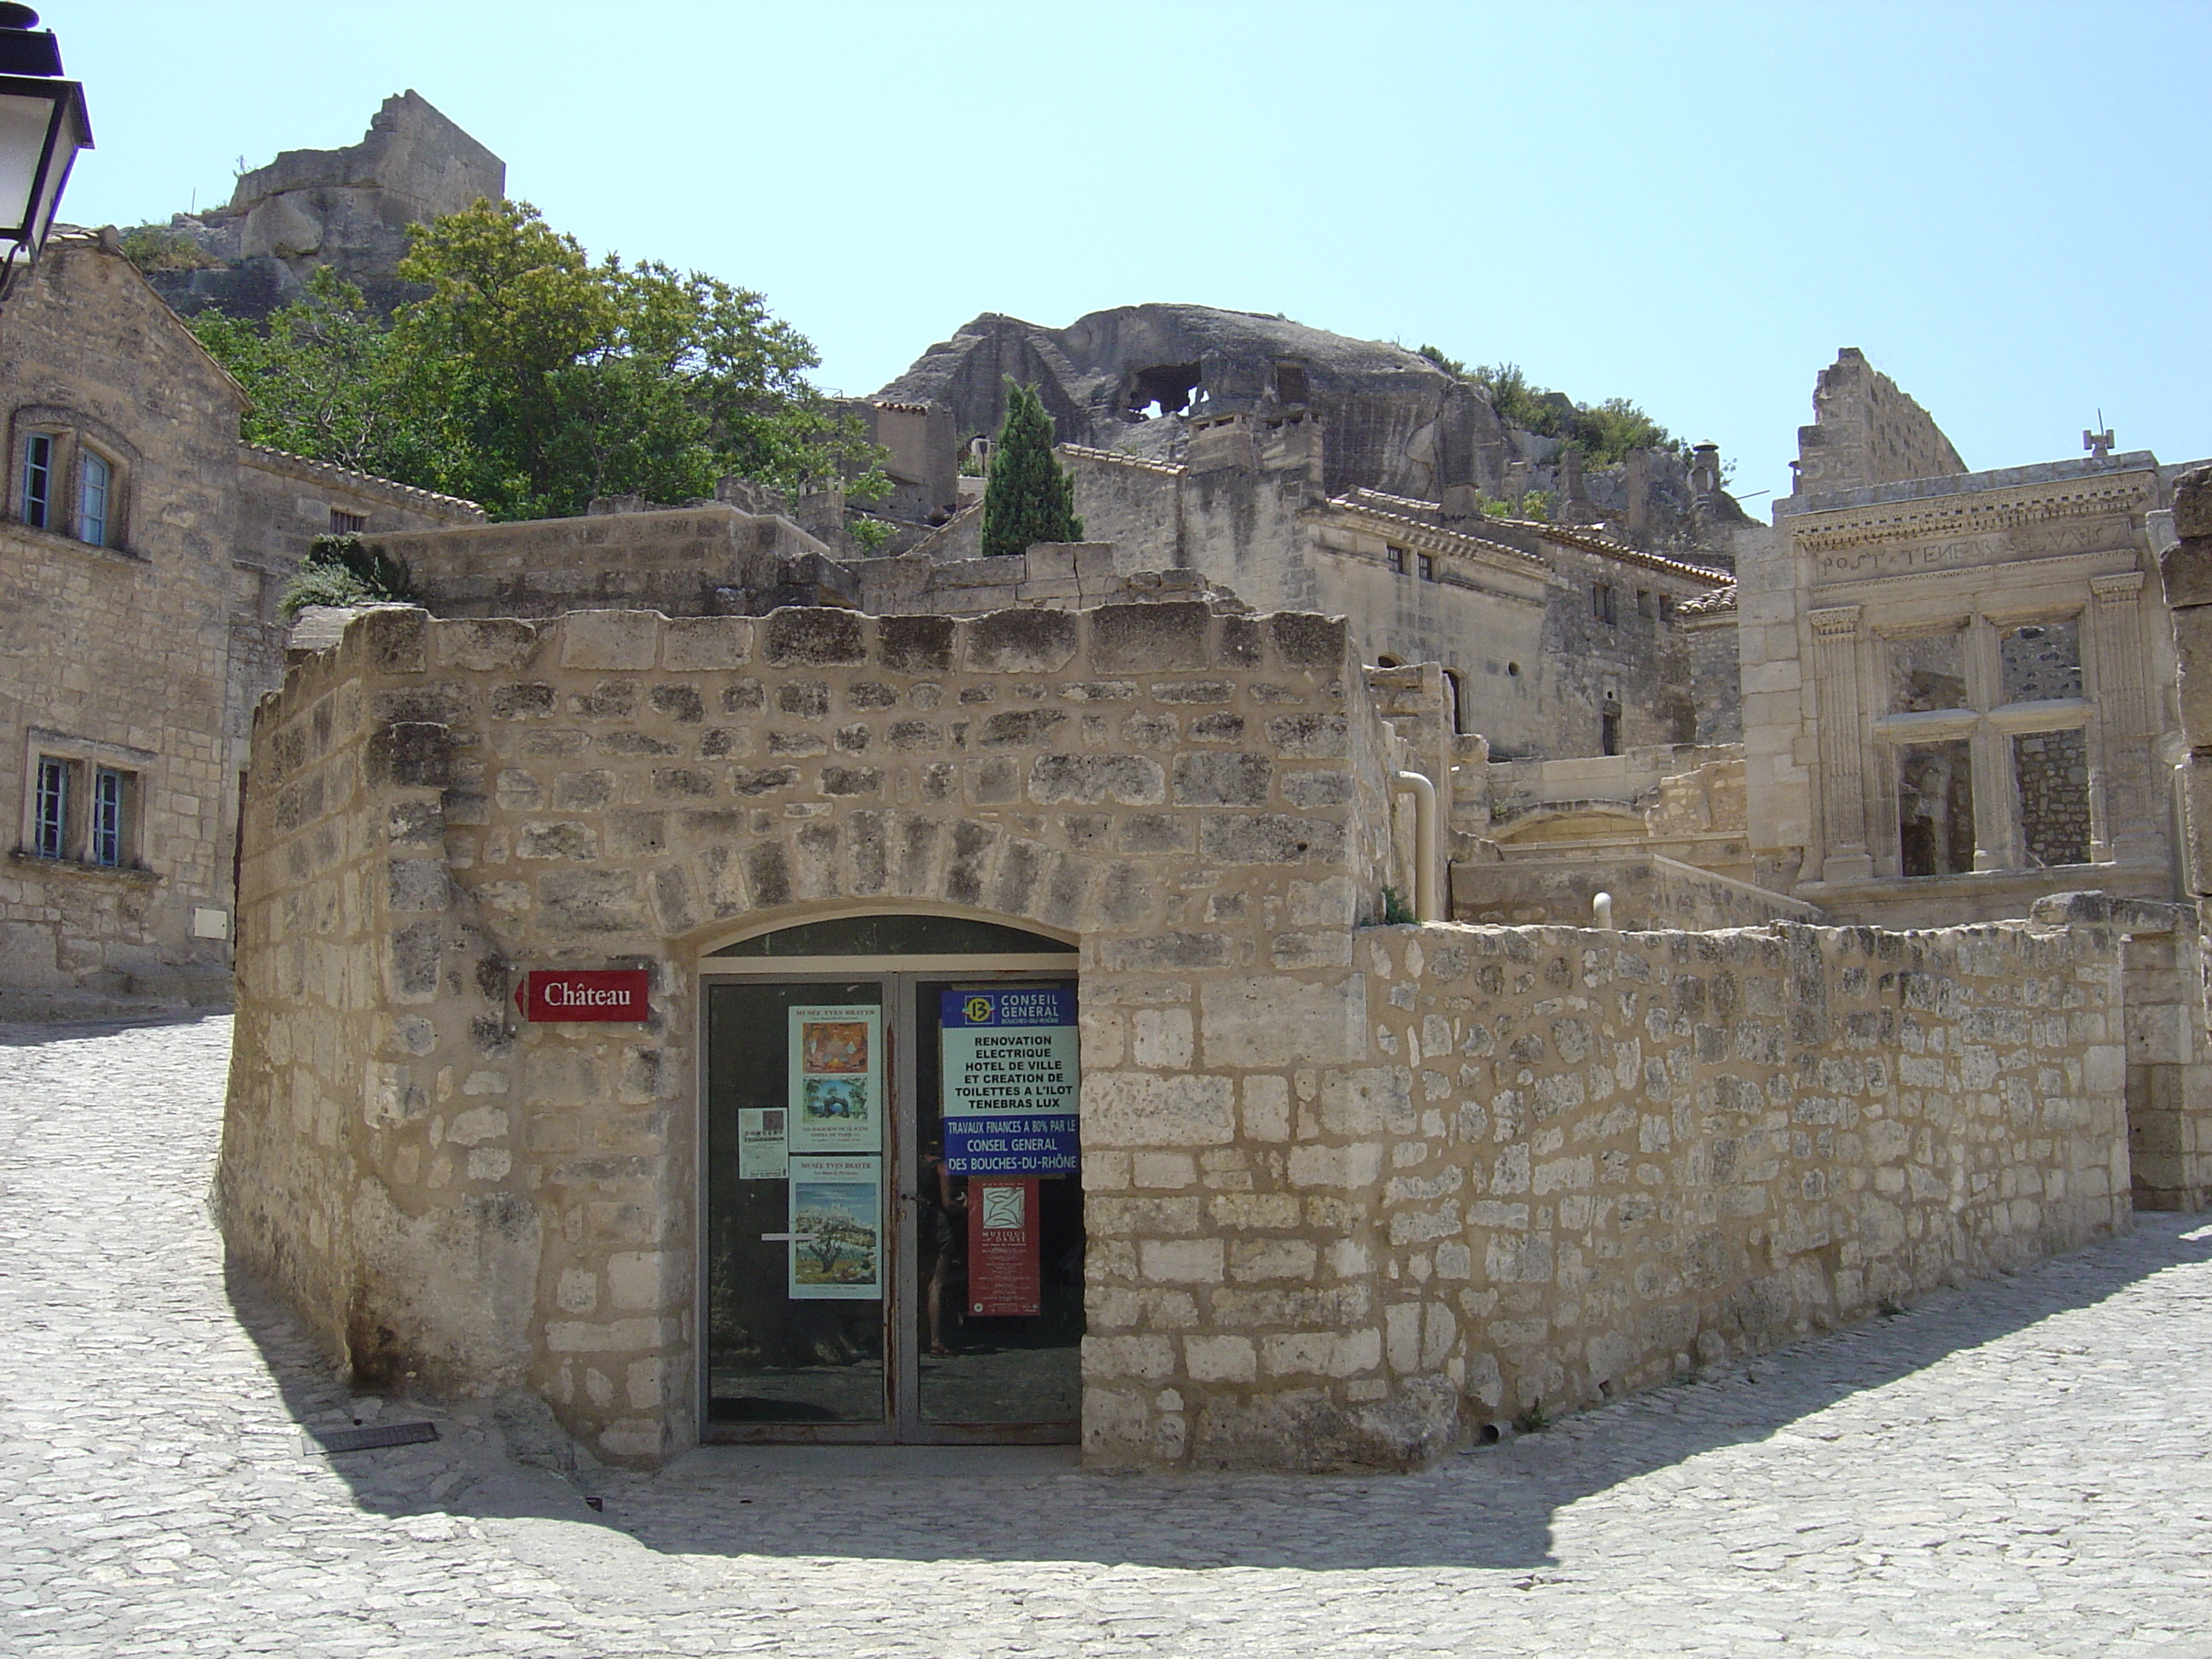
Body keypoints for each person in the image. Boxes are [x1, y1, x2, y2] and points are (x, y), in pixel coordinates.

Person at [920, 1137, 965, 1358]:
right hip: (936, 1227)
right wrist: (965, 1206)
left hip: (914, 1227)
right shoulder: (940, 1166)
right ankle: (935, 1340)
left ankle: (915, 1335)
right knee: (935, 1284)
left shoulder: (910, 1166)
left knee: (916, 1283)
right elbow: (947, 1203)